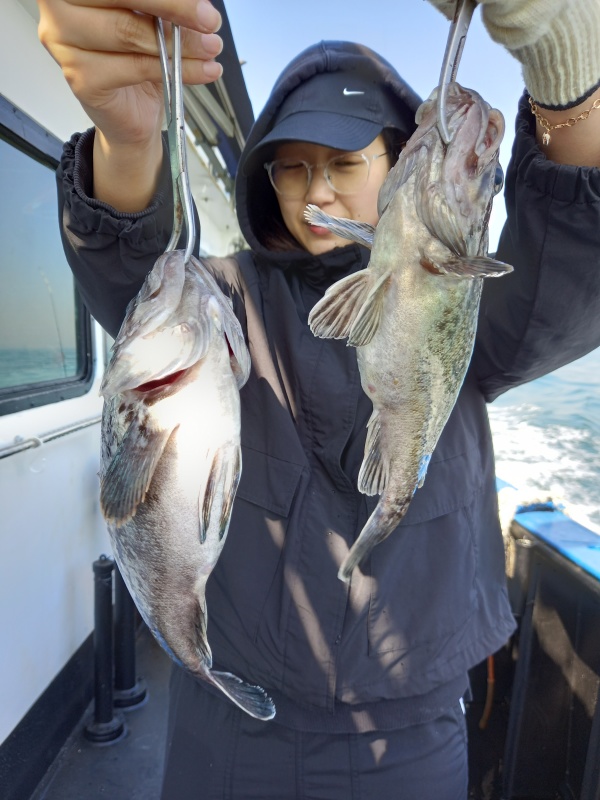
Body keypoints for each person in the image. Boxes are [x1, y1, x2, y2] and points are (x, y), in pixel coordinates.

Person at [37, 0, 600, 797]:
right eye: (294, 167)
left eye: (343, 162)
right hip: (229, 716)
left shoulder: (459, 293)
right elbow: (135, 286)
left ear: (399, 159)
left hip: (412, 727)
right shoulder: (221, 297)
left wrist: (570, 70)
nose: (319, 191)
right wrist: (128, 142)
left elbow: (570, 276)